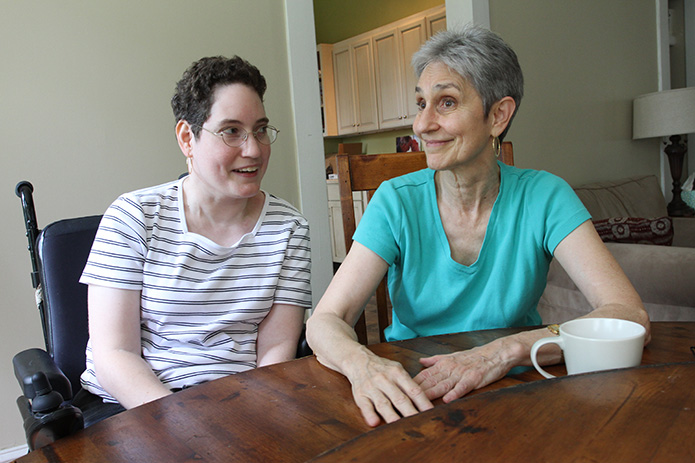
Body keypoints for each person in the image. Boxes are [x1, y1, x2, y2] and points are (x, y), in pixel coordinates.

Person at [306, 25, 649, 427]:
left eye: (446, 103)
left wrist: (503, 353)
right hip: (418, 388)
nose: (421, 124)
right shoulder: (395, 200)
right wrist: (363, 365)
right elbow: (325, 321)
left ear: (498, 115)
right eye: (421, 103)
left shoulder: (544, 195)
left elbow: (628, 315)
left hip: (517, 385)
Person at [77, 56, 312, 416]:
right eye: (232, 131)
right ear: (188, 137)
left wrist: (257, 417)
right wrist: (180, 425)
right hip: (139, 405)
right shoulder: (134, 217)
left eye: (260, 129)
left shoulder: (289, 228)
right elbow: (115, 353)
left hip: (245, 403)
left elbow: (277, 348)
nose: (254, 149)